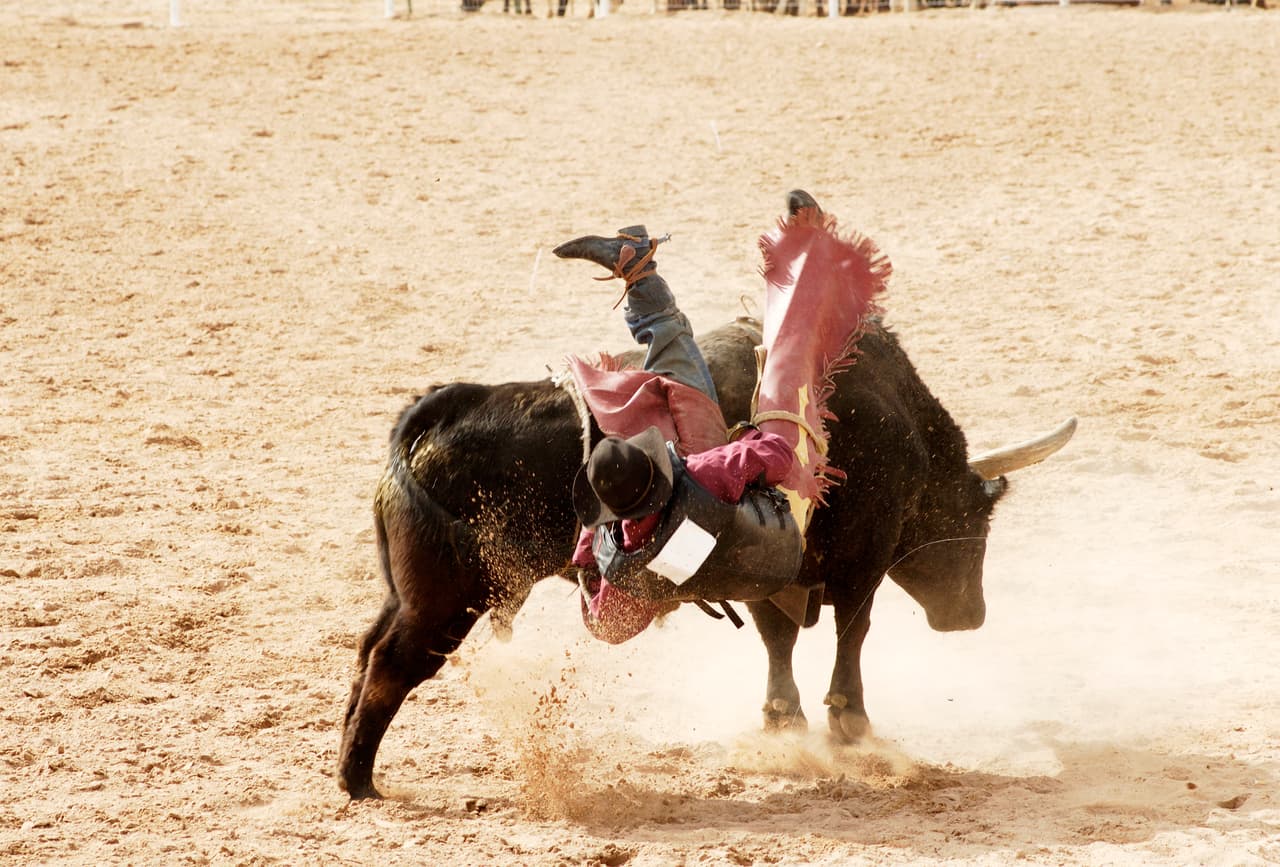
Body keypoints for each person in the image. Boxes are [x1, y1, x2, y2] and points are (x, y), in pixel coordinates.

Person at [554, 226, 803, 644]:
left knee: (675, 356)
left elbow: (606, 627)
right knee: (673, 347)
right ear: (655, 468)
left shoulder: (623, 566)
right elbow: (778, 454)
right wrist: (746, 441)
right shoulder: (707, 470)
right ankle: (637, 266)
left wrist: (591, 563)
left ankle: (636, 266)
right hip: (744, 530)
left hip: (712, 567)